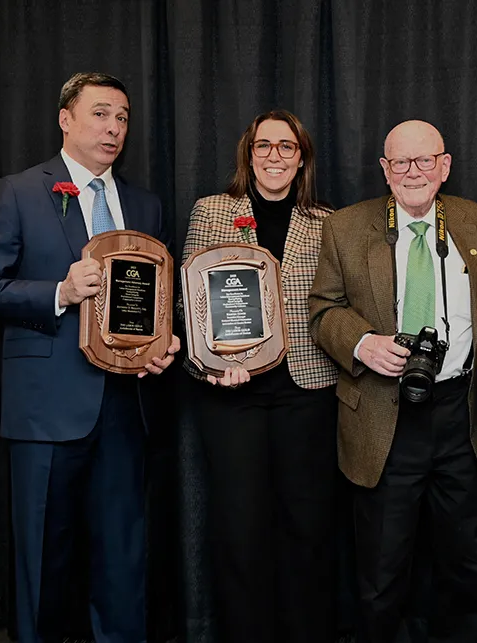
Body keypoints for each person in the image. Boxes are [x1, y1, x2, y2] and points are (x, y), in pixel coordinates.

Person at [0, 72, 179, 643]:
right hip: (46, 409)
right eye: (101, 113)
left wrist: (165, 343)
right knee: (42, 559)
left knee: (123, 558)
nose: (114, 128)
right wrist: (59, 291)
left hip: (127, 406)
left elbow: (155, 302)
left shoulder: (145, 205)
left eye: (122, 117)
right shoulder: (18, 192)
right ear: (65, 118)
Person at [308, 119, 477, 643]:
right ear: (384, 169)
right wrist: (362, 343)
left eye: (425, 160)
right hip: (381, 416)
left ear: (445, 165)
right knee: (381, 572)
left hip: (460, 415)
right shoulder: (345, 227)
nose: (414, 172)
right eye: (400, 162)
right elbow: (322, 310)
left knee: (469, 565)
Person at [178, 110, 340, 642]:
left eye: (286, 146)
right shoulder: (213, 210)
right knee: (240, 527)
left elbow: (338, 304)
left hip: (307, 390)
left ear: (302, 158)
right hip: (233, 394)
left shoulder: (327, 221)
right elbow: (189, 301)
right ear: (249, 155)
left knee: (306, 526)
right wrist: (208, 366)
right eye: (263, 145)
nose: (275, 155)